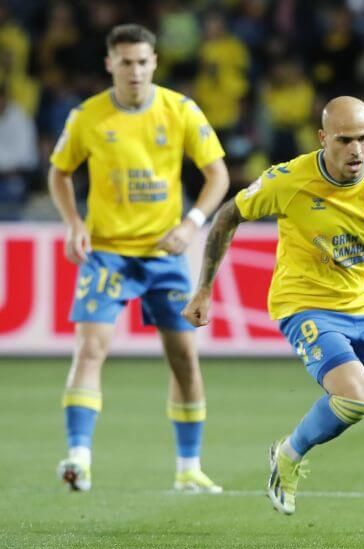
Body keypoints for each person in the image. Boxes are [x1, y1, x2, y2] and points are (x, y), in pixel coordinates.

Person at [183, 96, 364, 534]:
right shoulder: (289, 180)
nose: (355, 150)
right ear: (323, 138)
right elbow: (228, 217)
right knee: (356, 397)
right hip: (306, 305)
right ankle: (288, 453)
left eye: (362, 138)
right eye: (344, 141)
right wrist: (205, 288)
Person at [49, 24, 230, 493]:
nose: (134, 71)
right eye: (125, 62)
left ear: (154, 63)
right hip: (107, 253)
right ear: (110, 64)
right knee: (90, 349)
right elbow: (59, 173)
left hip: (163, 254)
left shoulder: (180, 110)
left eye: (142, 61)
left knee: (184, 357)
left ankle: (188, 468)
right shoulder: (87, 116)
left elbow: (218, 175)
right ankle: (79, 458)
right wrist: (73, 223)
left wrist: (191, 223)